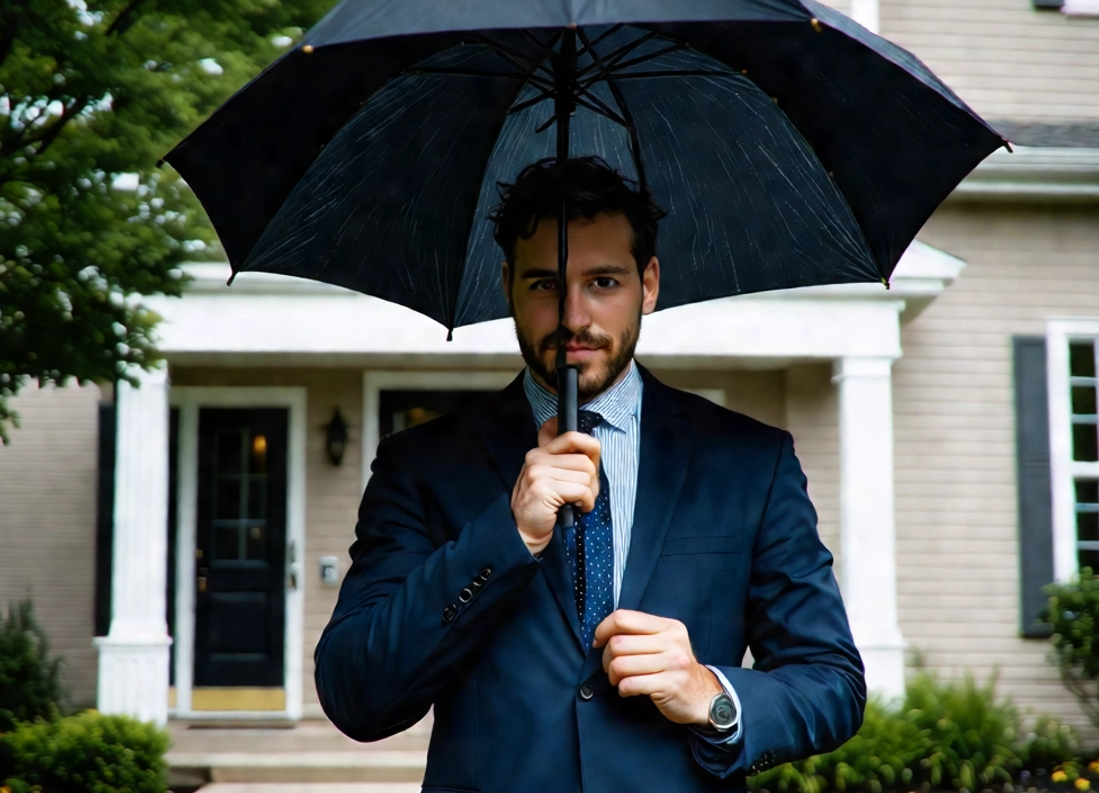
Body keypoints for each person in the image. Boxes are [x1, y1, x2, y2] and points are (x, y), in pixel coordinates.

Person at [314, 157, 866, 793]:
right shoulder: (422, 466)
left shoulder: (750, 462)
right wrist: (506, 535)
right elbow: (356, 693)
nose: (575, 317)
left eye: (603, 282)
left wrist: (709, 694)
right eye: (546, 285)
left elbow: (831, 682)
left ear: (649, 284)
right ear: (508, 286)